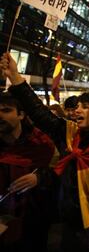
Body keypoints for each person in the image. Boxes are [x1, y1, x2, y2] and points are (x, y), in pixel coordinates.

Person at [0, 52, 89, 252]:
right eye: (77, 106)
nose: (77, 110)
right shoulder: (69, 134)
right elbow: (38, 112)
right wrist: (15, 77)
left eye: (85, 107)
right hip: (72, 225)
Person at [0, 92, 56, 251]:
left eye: (6, 110)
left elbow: (59, 176)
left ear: (21, 115)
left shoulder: (41, 145)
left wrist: (40, 178)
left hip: (30, 226)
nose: (0, 115)